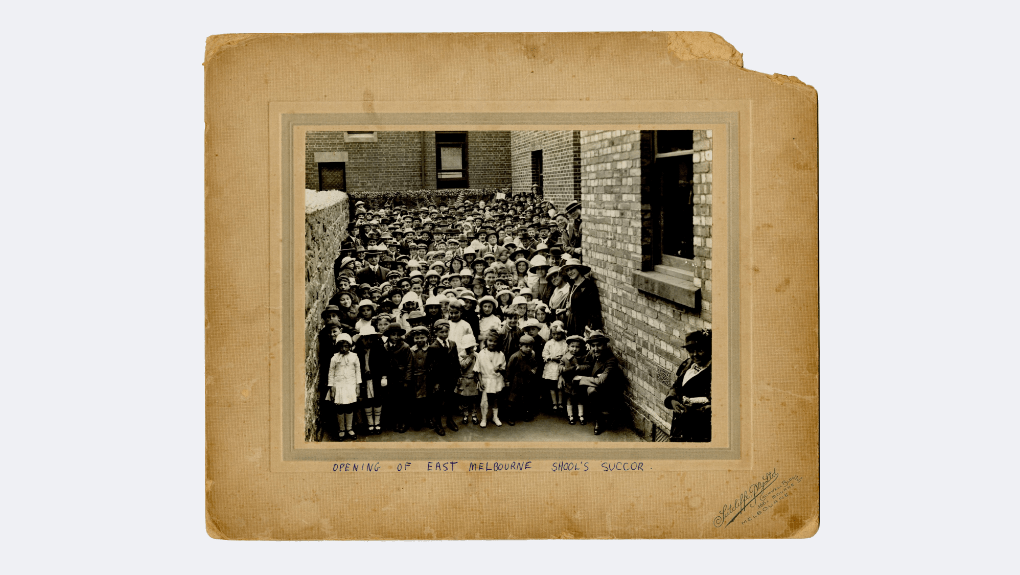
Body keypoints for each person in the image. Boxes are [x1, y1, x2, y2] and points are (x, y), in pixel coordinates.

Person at [571, 331, 623, 435]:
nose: (595, 348)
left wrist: (581, 378)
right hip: (594, 381)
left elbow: (601, 381)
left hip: (608, 389)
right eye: (593, 346)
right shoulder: (592, 353)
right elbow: (589, 366)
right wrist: (576, 368)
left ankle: (598, 421)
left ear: (605, 345)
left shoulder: (610, 360)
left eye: (598, 345)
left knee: (592, 390)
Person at [665, 329, 712, 442]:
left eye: (700, 350)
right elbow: (677, 385)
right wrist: (671, 400)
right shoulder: (688, 364)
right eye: (691, 351)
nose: (695, 355)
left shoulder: (713, 372)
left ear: (709, 349)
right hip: (680, 425)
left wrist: (693, 411)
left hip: (700, 429)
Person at [425, 319, 460, 436]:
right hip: (439, 380)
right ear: (436, 333)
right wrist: (435, 382)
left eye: (446, 332)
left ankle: (450, 420)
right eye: (441, 332)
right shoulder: (433, 347)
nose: (444, 334)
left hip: (451, 378)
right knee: (438, 403)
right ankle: (438, 424)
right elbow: (430, 367)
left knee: (450, 400)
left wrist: (458, 376)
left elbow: (456, 361)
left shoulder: (453, 344)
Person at [327, 332, 362, 441]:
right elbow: (331, 373)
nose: (344, 348)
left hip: (350, 386)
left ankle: (349, 428)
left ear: (350, 346)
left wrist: (357, 386)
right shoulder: (334, 358)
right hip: (339, 386)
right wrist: (332, 388)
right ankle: (341, 429)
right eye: (341, 346)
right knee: (340, 408)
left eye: (346, 346)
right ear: (338, 346)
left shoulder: (354, 357)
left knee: (349, 408)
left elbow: (358, 372)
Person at [380, 323, 413, 433]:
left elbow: (409, 364)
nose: (396, 337)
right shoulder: (385, 347)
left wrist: (407, 380)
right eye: (393, 334)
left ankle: (403, 421)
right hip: (390, 378)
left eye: (398, 335)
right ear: (388, 335)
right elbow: (383, 363)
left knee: (402, 401)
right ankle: (395, 421)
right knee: (392, 400)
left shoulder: (405, 347)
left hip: (401, 378)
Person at [562, 258, 603, 337]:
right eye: (567, 270)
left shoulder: (588, 285)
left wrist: (592, 327)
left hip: (583, 323)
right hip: (572, 322)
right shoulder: (572, 285)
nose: (570, 272)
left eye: (572, 269)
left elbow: (594, 308)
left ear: (579, 269)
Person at [505, 334, 541, 424]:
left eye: (531, 346)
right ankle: (510, 416)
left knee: (526, 397)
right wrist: (507, 381)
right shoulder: (515, 357)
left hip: (527, 380)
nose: (529, 348)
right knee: (512, 398)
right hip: (516, 380)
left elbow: (536, 365)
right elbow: (509, 369)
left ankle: (525, 414)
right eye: (526, 346)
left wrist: (534, 370)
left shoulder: (531, 356)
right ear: (520, 346)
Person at [474, 330, 506, 428]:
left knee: (496, 398)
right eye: (490, 340)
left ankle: (495, 417)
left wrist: (498, 369)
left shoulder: (500, 354)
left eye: (495, 341)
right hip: (485, 379)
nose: (492, 343)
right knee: (484, 400)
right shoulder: (481, 354)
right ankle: (484, 418)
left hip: (496, 380)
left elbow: (503, 368)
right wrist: (480, 381)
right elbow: (478, 370)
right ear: (486, 341)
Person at [542, 321, 568, 415]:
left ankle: (560, 403)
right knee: (552, 386)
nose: (556, 336)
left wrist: (563, 359)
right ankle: (554, 403)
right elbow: (544, 355)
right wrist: (552, 357)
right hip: (551, 367)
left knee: (560, 386)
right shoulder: (549, 343)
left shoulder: (565, 343)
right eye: (554, 334)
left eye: (558, 334)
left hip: (560, 367)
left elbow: (568, 354)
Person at [560, 334, 586, 425]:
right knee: (569, 398)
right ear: (568, 347)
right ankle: (570, 415)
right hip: (568, 381)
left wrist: (580, 367)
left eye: (577, 347)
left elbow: (588, 366)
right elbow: (561, 364)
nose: (574, 349)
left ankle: (581, 415)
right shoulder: (565, 357)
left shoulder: (583, 357)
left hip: (579, 381)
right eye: (572, 346)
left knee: (580, 398)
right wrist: (562, 369)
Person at [455, 333, 481, 425]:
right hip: (464, 379)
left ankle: (474, 415)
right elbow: (463, 366)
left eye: (471, 346)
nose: (469, 348)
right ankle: (465, 415)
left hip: (473, 379)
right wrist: (470, 357)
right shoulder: (460, 355)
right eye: (467, 347)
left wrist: (479, 379)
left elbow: (479, 367)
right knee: (464, 399)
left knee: (474, 399)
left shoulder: (476, 355)